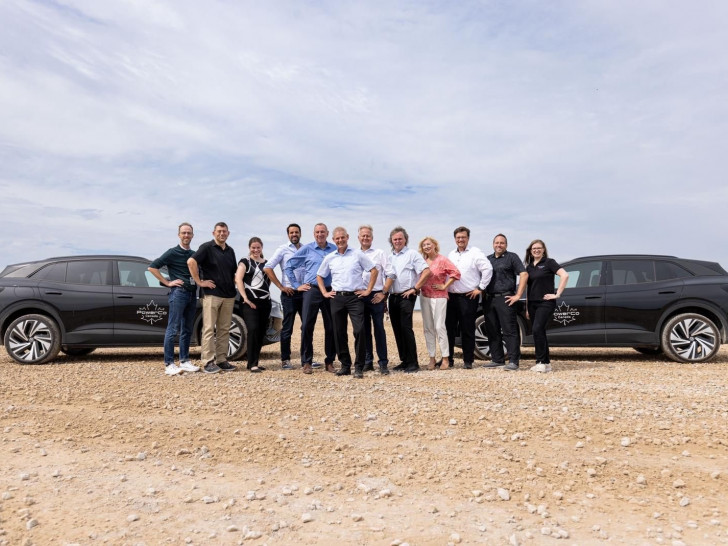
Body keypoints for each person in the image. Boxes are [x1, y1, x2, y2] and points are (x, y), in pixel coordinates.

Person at [317, 227, 378, 378]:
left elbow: (374, 270)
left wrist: (368, 290)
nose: (340, 240)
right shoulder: (330, 257)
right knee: (339, 332)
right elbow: (319, 275)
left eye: (342, 237)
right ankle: (345, 365)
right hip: (337, 298)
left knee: (360, 330)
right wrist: (324, 292)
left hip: (355, 297)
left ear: (347, 237)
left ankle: (359, 366)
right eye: (337, 239)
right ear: (334, 240)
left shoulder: (357, 254)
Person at [148, 222, 201, 376]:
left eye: (189, 233)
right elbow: (152, 267)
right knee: (173, 329)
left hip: (192, 294)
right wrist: (167, 282)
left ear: (192, 235)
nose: (186, 235)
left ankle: (184, 361)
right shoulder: (172, 252)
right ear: (179, 235)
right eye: (183, 233)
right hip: (178, 293)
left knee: (187, 329)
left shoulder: (194, 254)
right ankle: (169, 363)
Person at [284, 223, 337, 375]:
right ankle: (306, 361)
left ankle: (330, 361)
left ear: (327, 233)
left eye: (322, 232)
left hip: (329, 290)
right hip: (311, 290)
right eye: (317, 232)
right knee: (307, 325)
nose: (320, 234)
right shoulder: (307, 249)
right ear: (314, 234)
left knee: (331, 326)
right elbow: (289, 266)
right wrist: (296, 285)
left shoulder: (334, 249)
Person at [187, 222, 238, 374]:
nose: (222, 234)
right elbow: (191, 262)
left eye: (224, 231)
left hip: (228, 295)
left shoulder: (230, 251)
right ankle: (208, 361)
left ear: (228, 233)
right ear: (213, 233)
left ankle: (222, 360)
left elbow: (234, 272)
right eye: (219, 231)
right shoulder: (206, 247)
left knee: (224, 329)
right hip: (211, 295)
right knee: (209, 328)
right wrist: (199, 282)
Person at [382, 226, 431, 373]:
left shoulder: (412, 254)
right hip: (393, 297)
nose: (397, 241)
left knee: (406, 328)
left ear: (405, 239)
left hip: (407, 296)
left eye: (400, 239)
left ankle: (413, 362)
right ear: (391, 241)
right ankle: (404, 361)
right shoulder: (389, 257)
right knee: (397, 330)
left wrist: (415, 288)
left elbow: (426, 271)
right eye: (395, 239)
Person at [445, 226, 493, 369]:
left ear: (468, 238)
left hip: (468, 297)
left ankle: (468, 360)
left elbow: (487, 269)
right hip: (451, 297)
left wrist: (480, 288)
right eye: (458, 237)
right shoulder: (451, 254)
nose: (460, 240)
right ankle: (449, 360)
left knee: (467, 329)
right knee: (449, 329)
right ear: (455, 239)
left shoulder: (475, 252)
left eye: (463, 237)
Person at [483, 234, 529, 371]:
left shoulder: (512, 257)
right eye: (496, 242)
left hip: (506, 298)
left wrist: (518, 294)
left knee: (510, 330)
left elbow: (524, 274)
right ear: (493, 244)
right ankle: (497, 359)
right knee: (492, 330)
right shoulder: (487, 259)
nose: (499, 245)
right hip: (489, 298)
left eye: (502, 243)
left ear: (506, 245)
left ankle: (514, 361)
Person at [524, 239, 569, 373]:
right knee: (539, 331)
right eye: (534, 248)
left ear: (543, 250)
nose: (536, 250)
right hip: (532, 304)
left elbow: (565, 275)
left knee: (537, 329)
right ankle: (546, 363)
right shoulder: (529, 267)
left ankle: (541, 362)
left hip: (545, 303)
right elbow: (528, 288)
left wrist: (557, 294)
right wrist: (527, 308)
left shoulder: (549, 262)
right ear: (530, 251)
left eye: (539, 248)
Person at [264, 224, 305, 370]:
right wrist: (281, 287)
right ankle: (285, 360)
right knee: (287, 328)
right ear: (288, 234)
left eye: (296, 232)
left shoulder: (306, 249)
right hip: (289, 294)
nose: (294, 234)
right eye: (291, 232)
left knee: (307, 327)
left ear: (300, 233)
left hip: (305, 293)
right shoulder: (283, 249)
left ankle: (307, 359)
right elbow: (268, 267)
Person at [418, 236, 460, 370]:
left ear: (435, 245)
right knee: (428, 328)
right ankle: (432, 358)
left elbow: (456, 273)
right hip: (424, 296)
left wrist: (444, 286)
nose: (426, 247)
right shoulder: (423, 261)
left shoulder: (442, 260)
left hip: (439, 296)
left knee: (439, 327)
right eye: (424, 245)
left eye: (428, 244)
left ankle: (446, 358)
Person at [235, 237, 272, 373]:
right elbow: (238, 279)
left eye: (258, 247)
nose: (256, 250)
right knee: (253, 329)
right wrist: (245, 297)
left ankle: (254, 361)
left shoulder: (267, 263)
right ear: (249, 248)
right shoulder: (245, 262)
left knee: (261, 332)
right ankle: (252, 364)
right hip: (249, 302)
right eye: (253, 247)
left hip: (265, 302)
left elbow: (269, 281)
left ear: (262, 248)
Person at [358, 225, 388, 373]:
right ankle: (368, 361)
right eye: (363, 236)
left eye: (368, 236)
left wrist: (384, 293)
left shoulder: (380, 253)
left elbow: (390, 274)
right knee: (364, 331)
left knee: (379, 330)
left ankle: (383, 363)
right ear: (358, 238)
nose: (365, 238)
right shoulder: (354, 254)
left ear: (372, 238)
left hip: (376, 296)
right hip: (360, 296)